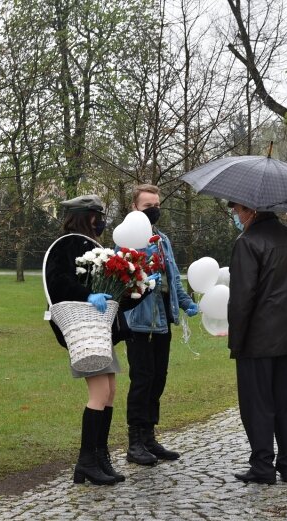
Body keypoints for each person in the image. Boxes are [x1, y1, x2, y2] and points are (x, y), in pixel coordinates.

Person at [44, 194, 128, 486]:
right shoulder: (69, 244)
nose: (101, 219)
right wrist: (87, 295)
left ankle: (99, 456)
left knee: (110, 390)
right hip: (84, 330)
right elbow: (57, 282)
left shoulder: (91, 245)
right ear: (86, 215)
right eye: (97, 214)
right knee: (99, 393)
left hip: (98, 329)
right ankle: (86, 461)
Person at [227, 201, 287, 485]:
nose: (236, 215)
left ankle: (262, 464)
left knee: (257, 404)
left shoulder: (248, 242)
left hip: (258, 339)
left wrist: (236, 339)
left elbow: (242, 297)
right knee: (285, 403)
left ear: (252, 210)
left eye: (237, 210)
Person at [123, 184, 199, 465]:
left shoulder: (163, 239)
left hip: (163, 321)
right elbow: (124, 279)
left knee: (158, 380)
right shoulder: (127, 239)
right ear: (134, 209)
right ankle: (134, 442)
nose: (154, 210)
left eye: (157, 205)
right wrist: (145, 269)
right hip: (139, 323)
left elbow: (174, 278)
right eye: (147, 206)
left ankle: (149, 437)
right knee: (141, 380)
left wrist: (185, 302)